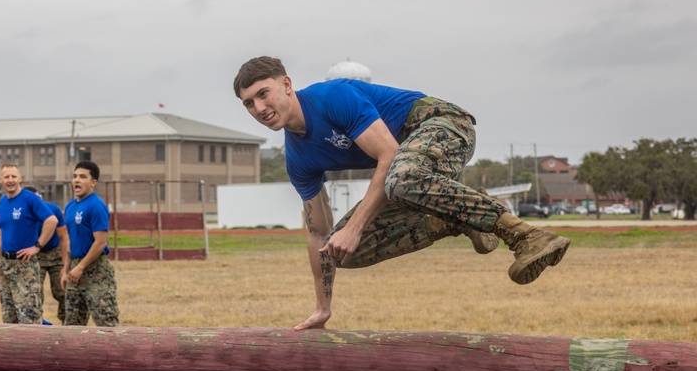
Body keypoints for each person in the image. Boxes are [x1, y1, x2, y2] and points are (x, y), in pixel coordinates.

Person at [233, 56, 570, 331]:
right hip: (410, 170)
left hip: (441, 125)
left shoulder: (331, 97)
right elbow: (317, 231)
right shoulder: (298, 158)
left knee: (400, 178)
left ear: (287, 85)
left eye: (264, 94)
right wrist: (323, 308)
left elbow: (390, 155)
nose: (259, 107)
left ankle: (527, 236)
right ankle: (455, 220)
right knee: (339, 249)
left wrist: (356, 226)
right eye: (249, 103)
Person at [0, 164, 58, 324]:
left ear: (20, 178)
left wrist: (37, 247)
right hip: (6, 266)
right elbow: (1, 232)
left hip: (25, 265)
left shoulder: (30, 199)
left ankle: (34, 348)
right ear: (0, 180)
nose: (10, 180)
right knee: (9, 316)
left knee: (29, 316)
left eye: (14, 176)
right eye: (6, 177)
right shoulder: (2, 203)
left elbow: (52, 220)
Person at [61, 160, 119, 326]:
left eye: (82, 177)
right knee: (72, 326)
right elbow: (72, 242)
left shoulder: (96, 205)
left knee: (106, 323)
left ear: (93, 183)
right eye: (75, 176)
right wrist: (66, 270)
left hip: (96, 272)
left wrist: (81, 267)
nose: (76, 180)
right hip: (75, 273)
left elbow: (100, 242)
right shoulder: (70, 207)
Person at [27, 186, 69, 325]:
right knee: (35, 293)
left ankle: (66, 322)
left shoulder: (53, 210)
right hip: (36, 255)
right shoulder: (25, 213)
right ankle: (38, 323)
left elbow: (63, 237)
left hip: (55, 254)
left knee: (62, 291)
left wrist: (65, 265)